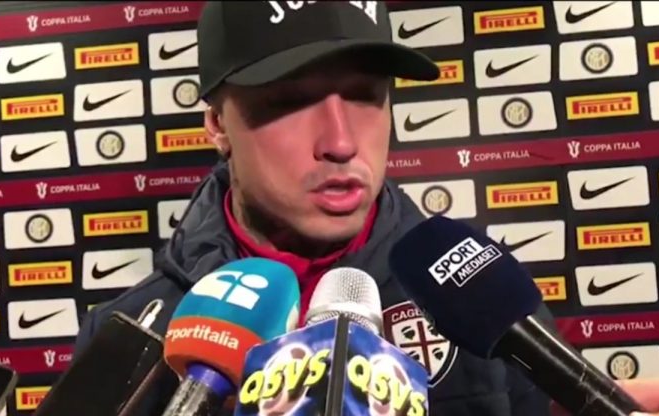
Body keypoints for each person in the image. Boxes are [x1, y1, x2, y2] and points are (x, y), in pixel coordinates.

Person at [73, 1, 553, 415]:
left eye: (365, 95)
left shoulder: (480, 302)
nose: (341, 143)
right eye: (292, 101)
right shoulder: (131, 333)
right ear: (218, 124)